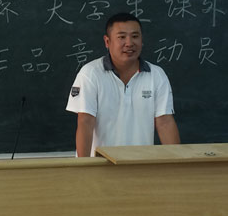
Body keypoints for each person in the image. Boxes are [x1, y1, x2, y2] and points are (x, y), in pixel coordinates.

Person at [66, 12, 180, 157]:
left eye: (135, 36)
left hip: (141, 163)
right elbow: (85, 122)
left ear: (142, 40)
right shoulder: (90, 74)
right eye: (121, 37)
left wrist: (178, 163)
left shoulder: (156, 75)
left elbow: (165, 122)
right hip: (100, 165)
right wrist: (84, 166)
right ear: (107, 42)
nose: (129, 43)